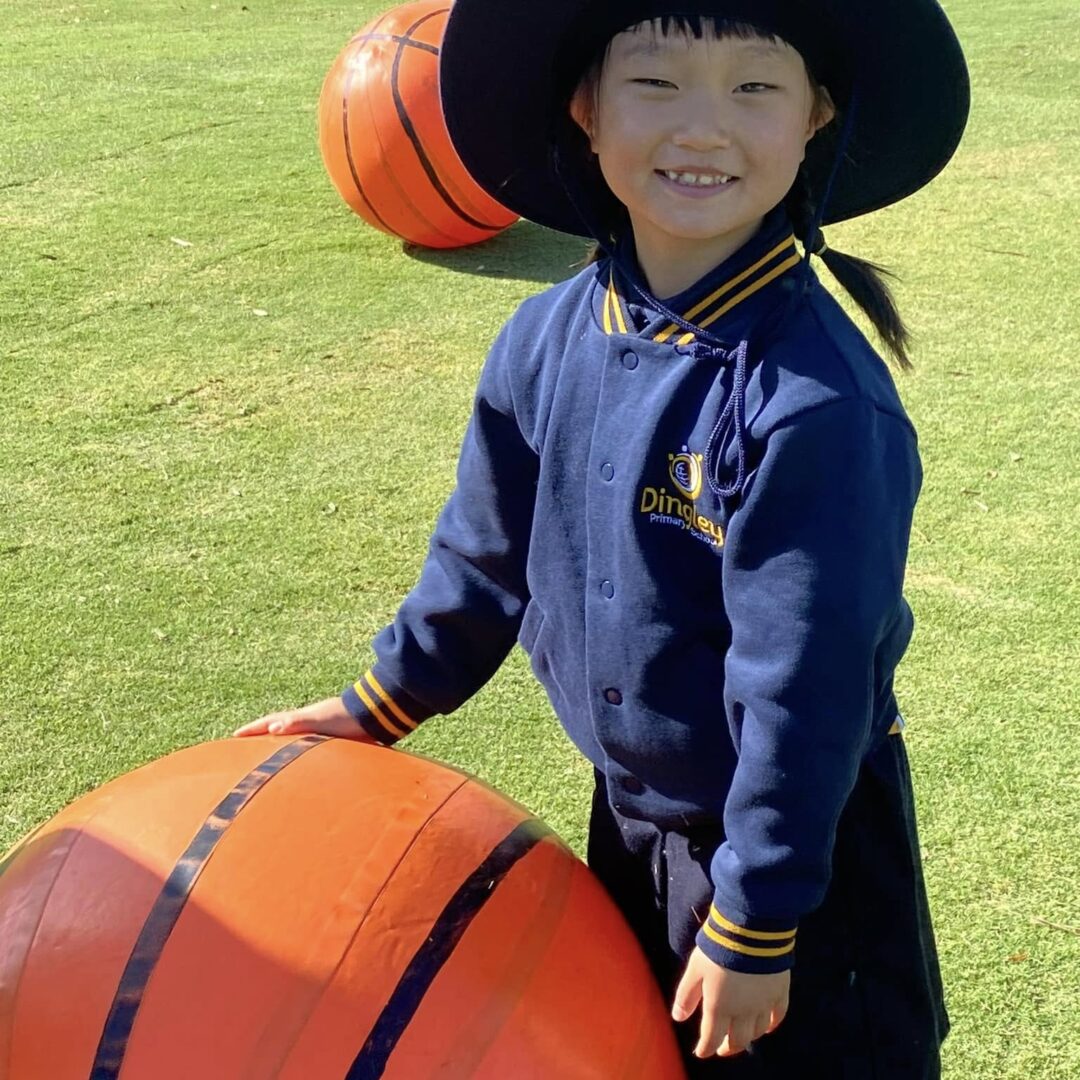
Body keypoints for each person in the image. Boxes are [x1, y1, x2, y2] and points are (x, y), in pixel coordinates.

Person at [235, 1, 969, 1074]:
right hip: (632, 828)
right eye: (656, 84)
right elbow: (480, 564)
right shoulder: (540, 340)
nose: (703, 129)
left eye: (754, 88)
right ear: (584, 107)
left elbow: (806, 690)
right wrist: (375, 708)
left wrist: (759, 920)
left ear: (817, 114)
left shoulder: (812, 407)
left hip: (794, 856)